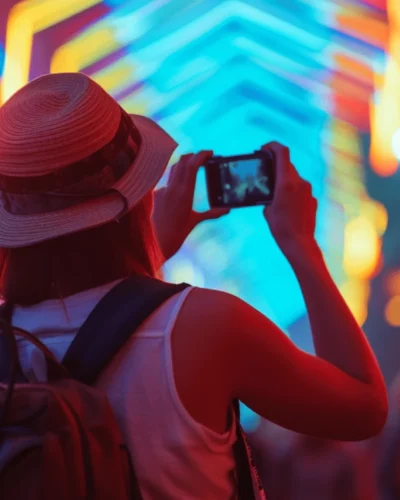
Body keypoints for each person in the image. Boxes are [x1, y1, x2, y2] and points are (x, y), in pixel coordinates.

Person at [0, 73, 388, 499]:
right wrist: (301, 246)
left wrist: (151, 254)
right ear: (140, 197)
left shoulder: (9, 338)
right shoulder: (207, 327)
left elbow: (100, 317)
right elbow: (364, 409)